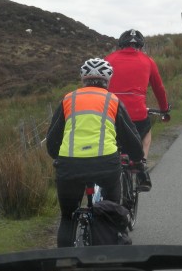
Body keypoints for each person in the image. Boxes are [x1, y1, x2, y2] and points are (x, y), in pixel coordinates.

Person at [45, 58, 146, 248]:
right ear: (108, 81)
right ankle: (109, 255)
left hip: (69, 166)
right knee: (111, 212)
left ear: (83, 80)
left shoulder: (68, 99)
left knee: (67, 217)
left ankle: (65, 264)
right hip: (106, 165)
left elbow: (52, 141)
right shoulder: (112, 100)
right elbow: (130, 136)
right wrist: (137, 158)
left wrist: (59, 159)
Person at [105, 29, 170, 168]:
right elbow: (159, 89)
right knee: (146, 132)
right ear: (140, 47)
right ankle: (142, 167)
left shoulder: (108, 59)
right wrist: (164, 109)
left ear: (121, 45)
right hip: (137, 115)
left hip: (110, 113)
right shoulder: (148, 61)